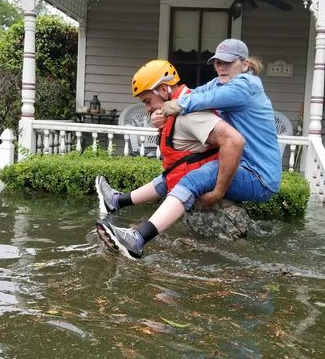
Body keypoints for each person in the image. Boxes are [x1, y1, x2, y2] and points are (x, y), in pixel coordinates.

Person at [96, 39, 281, 260]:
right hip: (244, 166)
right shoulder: (220, 83)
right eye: (217, 62)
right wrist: (161, 111)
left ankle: (138, 239)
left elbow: (211, 105)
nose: (221, 67)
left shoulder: (246, 85)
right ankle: (117, 201)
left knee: (194, 178)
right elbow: (194, 93)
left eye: (228, 62)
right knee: (182, 170)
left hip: (259, 176)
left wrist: (218, 192)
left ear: (245, 64)